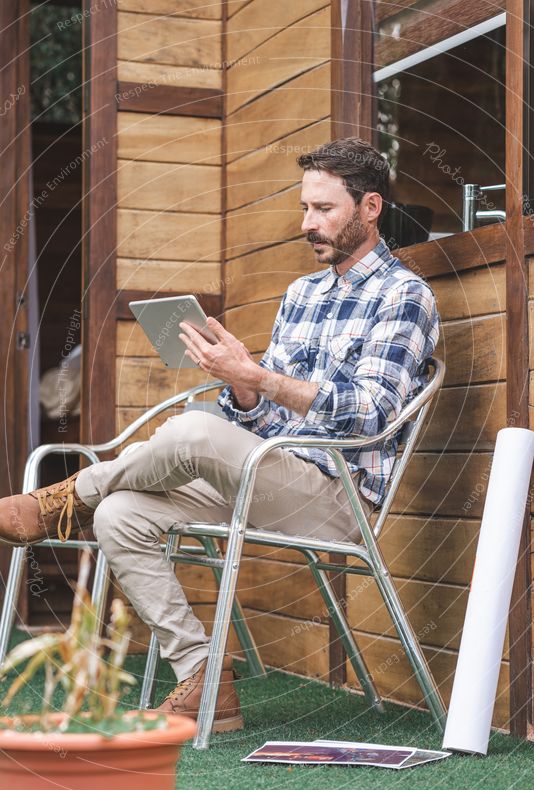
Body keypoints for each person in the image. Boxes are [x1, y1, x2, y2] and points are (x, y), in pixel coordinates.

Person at [0, 138, 440, 732]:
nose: (307, 224)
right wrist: (244, 390)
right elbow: (265, 425)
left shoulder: (405, 296)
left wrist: (259, 375)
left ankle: (62, 500)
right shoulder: (301, 295)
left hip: (340, 497)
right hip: (269, 471)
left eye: (324, 210)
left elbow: (369, 412)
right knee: (121, 515)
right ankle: (203, 676)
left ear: (369, 208)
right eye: (304, 208)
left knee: (192, 431)